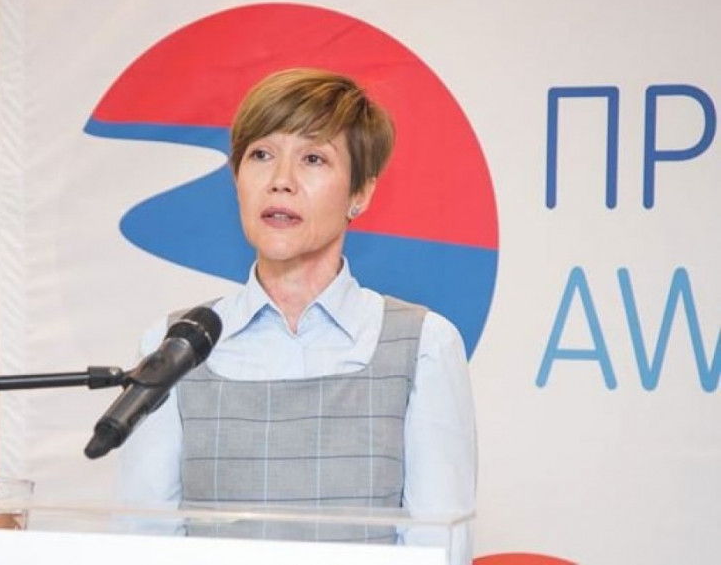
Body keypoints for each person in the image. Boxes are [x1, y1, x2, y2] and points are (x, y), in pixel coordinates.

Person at [115, 67, 476, 563]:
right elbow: (143, 543)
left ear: (360, 194)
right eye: (261, 155)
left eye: (313, 159)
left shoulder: (425, 344)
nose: (281, 182)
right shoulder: (176, 344)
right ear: (237, 178)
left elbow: (440, 550)